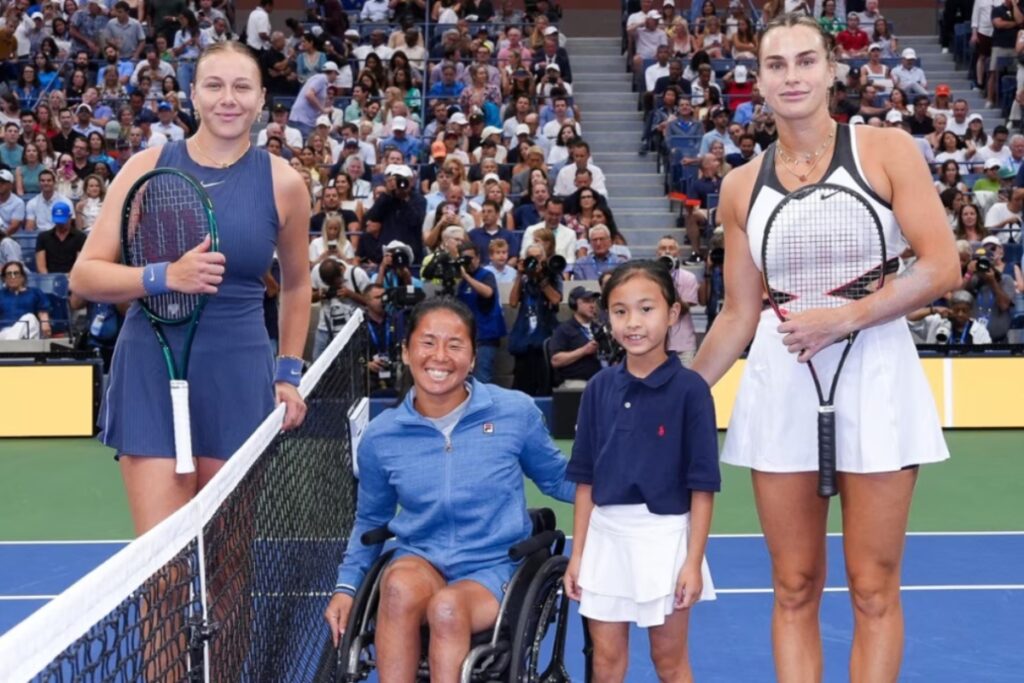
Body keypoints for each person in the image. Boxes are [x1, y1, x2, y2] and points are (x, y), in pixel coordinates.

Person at [691, 15, 960, 682]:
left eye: (806, 61)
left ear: (832, 71)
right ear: (758, 80)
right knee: (793, 584)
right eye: (777, 65)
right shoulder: (739, 186)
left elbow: (942, 266)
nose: (792, 76)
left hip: (876, 373)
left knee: (872, 586)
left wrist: (845, 318)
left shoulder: (888, 150)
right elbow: (737, 313)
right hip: (781, 384)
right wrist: (677, 391)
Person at [67, 42, 312, 541]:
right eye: (214, 85)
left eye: (242, 87)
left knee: (227, 566)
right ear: (193, 96)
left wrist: (288, 372)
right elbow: (85, 276)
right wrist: (162, 276)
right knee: (165, 568)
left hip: (239, 376)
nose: (229, 98)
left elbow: (297, 282)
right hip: (151, 372)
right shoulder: (144, 169)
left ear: (262, 98)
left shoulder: (285, 183)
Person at [323, 298, 575, 680]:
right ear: (406, 352)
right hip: (420, 559)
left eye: (455, 345)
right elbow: (370, 519)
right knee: (396, 587)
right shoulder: (381, 437)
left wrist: (628, 489)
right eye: (427, 342)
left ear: (473, 358)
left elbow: (558, 478)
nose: (440, 356)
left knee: (446, 608)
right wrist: (346, 587)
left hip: (494, 565)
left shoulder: (515, 413)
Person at [564, 261, 719, 682]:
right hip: (605, 540)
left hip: (665, 540)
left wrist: (692, 561)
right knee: (606, 662)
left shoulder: (692, 392)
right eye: (620, 311)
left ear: (672, 314)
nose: (633, 322)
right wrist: (578, 555)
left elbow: (702, 487)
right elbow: (586, 481)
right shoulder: (598, 389)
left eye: (646, 309)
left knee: (669, 663)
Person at [548, 285, 603, 388]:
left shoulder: (599, 328)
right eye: (587, 301)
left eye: (593, 301)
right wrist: (584, 350)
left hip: (601, 378)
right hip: (576, 382)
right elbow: (556, 360)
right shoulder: (564, 330)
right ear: (574, 304)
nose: (592, 305)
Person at [0, 260, 53, 340]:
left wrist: (45, 324)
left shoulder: (35, 292)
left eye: (16, 273)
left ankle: (12, 346)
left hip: (30, 332)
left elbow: (43, 313)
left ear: (22, 276)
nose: (13, 276)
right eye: (9, 274)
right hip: (5, 332)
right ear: (4, 278)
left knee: (30, 318)